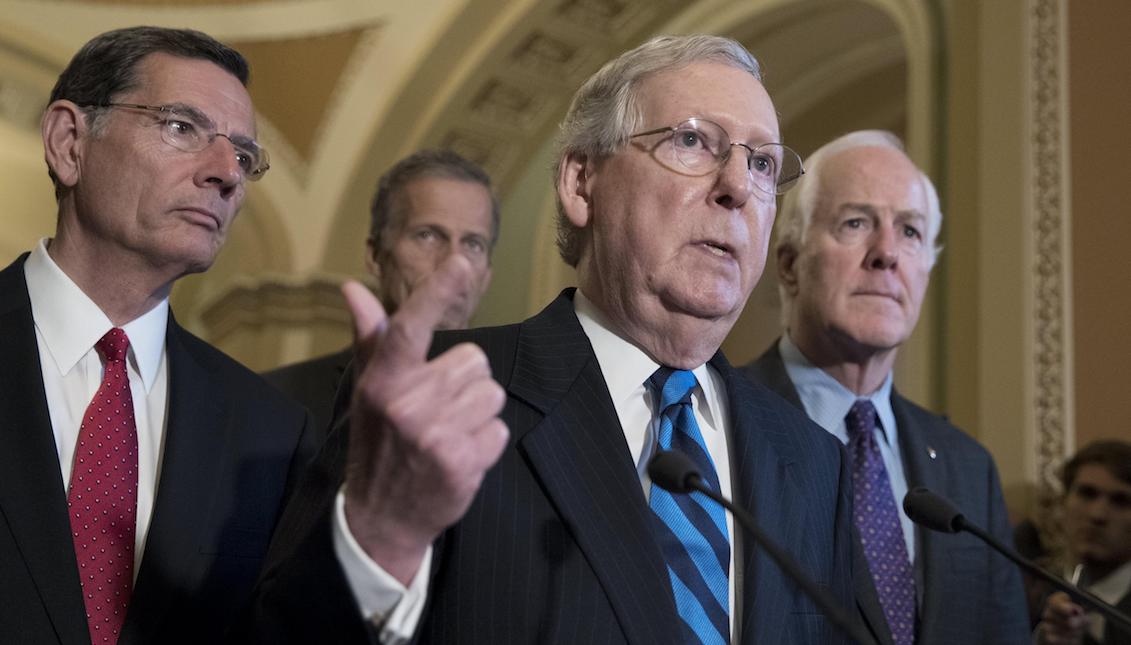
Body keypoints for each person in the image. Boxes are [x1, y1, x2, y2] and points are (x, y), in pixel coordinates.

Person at [245, 34, 857, 644]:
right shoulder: (439, 390)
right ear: (581, 182)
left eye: (762, 164)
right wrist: (381, 542)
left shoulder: (812, 459)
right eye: (692, 141)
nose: (738, 187)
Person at [0, 26, 314, 644]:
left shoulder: (270, 433)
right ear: (70, 143)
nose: (227, 173)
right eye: (181, 126)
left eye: (245, 156)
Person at [741, 130, 1029, 644]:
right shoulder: (715, 420)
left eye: (911, 232)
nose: (887, 254)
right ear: (788, 264)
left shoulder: (968, 468)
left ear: (924, 272)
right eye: (856, 223)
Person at [263, 149, 499, 433]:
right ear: (375, 256)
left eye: (473, 244)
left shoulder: (523, 409)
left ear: (487, 276)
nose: (454, 264)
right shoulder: (278, 400)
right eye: (428, 235)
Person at [1036, 440, 1131, 645]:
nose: (1097, 515)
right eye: (1087, 494)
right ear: (1064, 502)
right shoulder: (1037, 591)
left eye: (1121, 500)